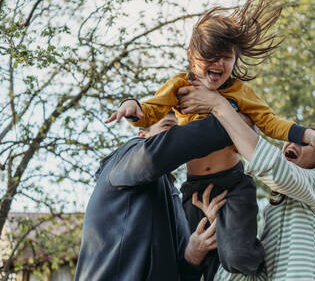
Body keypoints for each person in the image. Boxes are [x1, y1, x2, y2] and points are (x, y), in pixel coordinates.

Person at [105, 0, 315, 280]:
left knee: (239, 257)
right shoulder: (179, 85)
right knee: (199, 258)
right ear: (192, 56)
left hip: (232, 184)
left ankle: (251, 261)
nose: (219, 63)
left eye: (227, 57)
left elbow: (271, 123)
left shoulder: (240, 94)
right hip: (195, 188)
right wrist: (134, 108)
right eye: (210, 55)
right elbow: (153, 108)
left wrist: (309, 135)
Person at [177, 84, 315, 281]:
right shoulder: (272, 214)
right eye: (289, 139)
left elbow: (272, 167)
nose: (290, 143)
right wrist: (222, 226)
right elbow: (250, 274)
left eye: (304, 142)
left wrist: (219, 105)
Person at [74, 113, 234, 281]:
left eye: (181, 128)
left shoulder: (173, 197)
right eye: (168, 126)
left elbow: (183, 274)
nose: (179, 132)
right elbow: (153, 154)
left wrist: (195, 253)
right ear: (143, 135)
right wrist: (227, 119)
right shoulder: (126, 157)